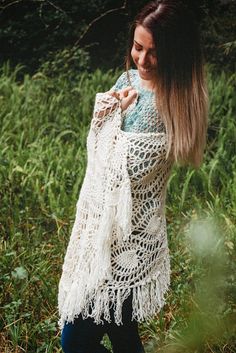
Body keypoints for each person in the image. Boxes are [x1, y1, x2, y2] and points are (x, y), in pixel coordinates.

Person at [57, 1, 208, 352]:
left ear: (176, 54)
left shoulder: (170, 104)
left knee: (74, 341)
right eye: (138, 47)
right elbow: (98, 150)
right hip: (102, 235)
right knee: (124, 336)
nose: (141, 60)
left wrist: (113, 120)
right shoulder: (127, 79)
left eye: (153, 53)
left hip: (128, 244)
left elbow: (127, 172)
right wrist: (113, 108)